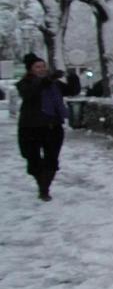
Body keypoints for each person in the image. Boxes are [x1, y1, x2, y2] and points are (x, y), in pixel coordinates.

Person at [16, 53, 81, 200]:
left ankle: (44, 190)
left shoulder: (54, 84)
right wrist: (48, 79)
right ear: (30, 70)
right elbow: (31, 92)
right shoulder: (24, 83)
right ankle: (42, 185)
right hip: (30, 128)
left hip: (52, 127)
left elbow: (72, 91)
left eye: (43, 66)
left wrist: (73, 76)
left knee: (51, 160)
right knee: (33, 161)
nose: (41, 69)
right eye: (37, 67)